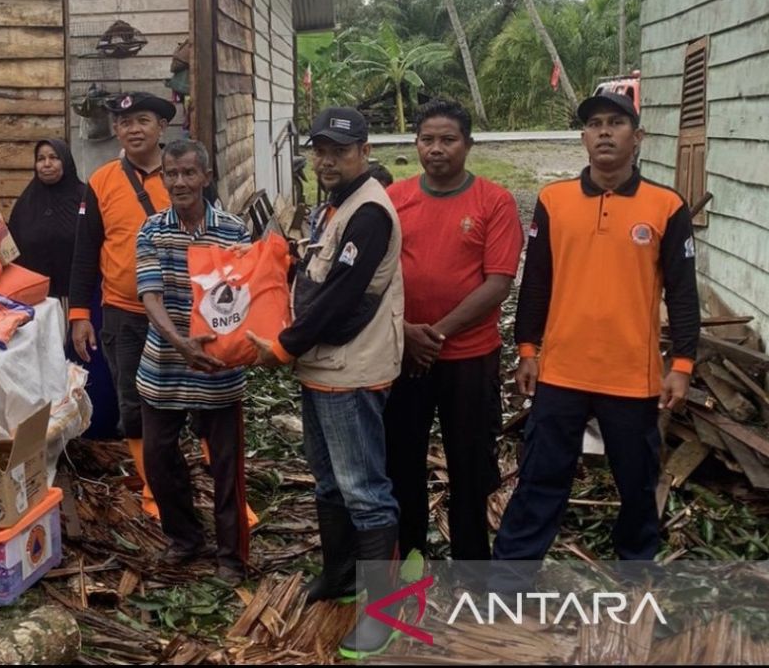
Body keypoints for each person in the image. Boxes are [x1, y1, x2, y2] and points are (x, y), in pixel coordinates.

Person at [492, 92, 700, 577]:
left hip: (632, 375)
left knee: (636, 482)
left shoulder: (666, 206)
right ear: (584, 138)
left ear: (638, 137)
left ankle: (636, 572)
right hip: (562, 372)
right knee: (541, 477)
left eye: (616, 123)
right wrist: (527, 349)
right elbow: (536, 282)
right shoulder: (554, 200)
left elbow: (684, 294)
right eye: (595, 124)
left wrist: (683, 365)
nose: (604, 131)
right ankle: (510, 577)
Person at [247, 106, 405, 658]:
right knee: (329, 484)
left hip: (350, 370)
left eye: (339, 150)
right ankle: (340, 576)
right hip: (322, 367)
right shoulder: (334, 206)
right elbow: (315, 277)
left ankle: (380, 613)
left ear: (364, 150)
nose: (327, 159)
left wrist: (286, 345)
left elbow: (341, 294)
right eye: (320, 150)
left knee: (365, 493)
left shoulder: (369, 212)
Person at [384, 99, 523, 562]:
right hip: (403, 357)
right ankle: (410, 558)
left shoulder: (494, 201)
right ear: (416, 144)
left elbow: (499, 282)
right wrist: (405, 333)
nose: (436, 149)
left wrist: (434, 335)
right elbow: (374, 276)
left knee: (470, 465)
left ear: (468, 143)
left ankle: (471, 562)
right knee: (403, 461)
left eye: (448, 140)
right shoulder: (394, 199)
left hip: (470, 357)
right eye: (427, 140)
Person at [135, 139, 251, 583]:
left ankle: (230, 555)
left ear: (206, 176)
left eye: (188, 173)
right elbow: (150, 295)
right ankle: (184, 537)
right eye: (171, 174)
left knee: (225, 464)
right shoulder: (151, 231)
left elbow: (241, 297)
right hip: (164, 364)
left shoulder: (233, 231)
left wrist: (221, 347)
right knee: (159, 458)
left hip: (218, 365)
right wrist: (180, 342)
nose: (179, 181)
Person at [68, 92, 175, 516]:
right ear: (115, 130)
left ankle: (206, 478)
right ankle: (154, 487)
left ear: (161, 127)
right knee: (132, 399)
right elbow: (85, 251)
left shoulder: (184, 172)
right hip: (122, 312)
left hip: (181, 313)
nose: (133, 129)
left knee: (195, 399)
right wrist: (79, 314)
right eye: (124, 122)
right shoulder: (101, 181)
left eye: (142, 120)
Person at [8, 139, 85, 299]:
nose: (47, 164)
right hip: (36, 297)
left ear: (65, 161)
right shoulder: (26, 202)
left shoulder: (84, 197)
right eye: (41, 159)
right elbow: (13, 247)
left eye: (54, 157)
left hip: (78, 295)